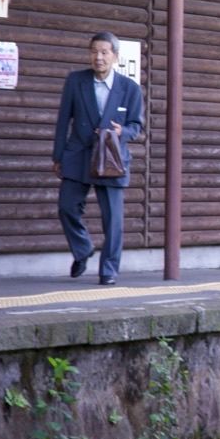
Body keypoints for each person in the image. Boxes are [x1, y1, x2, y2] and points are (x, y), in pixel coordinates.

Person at [52, 32, 145, 285]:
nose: (99, 57)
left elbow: (137, 127)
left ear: (115, 56)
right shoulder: (75, 81)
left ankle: (109, 270)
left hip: (112, 157)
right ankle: (82, 249)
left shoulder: (130, 88)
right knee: (66, 208)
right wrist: (58, 156)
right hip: (78, 154)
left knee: (113, 220)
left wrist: (121, 132)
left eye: (104, 52)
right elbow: (63, 122)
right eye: (94, 51)